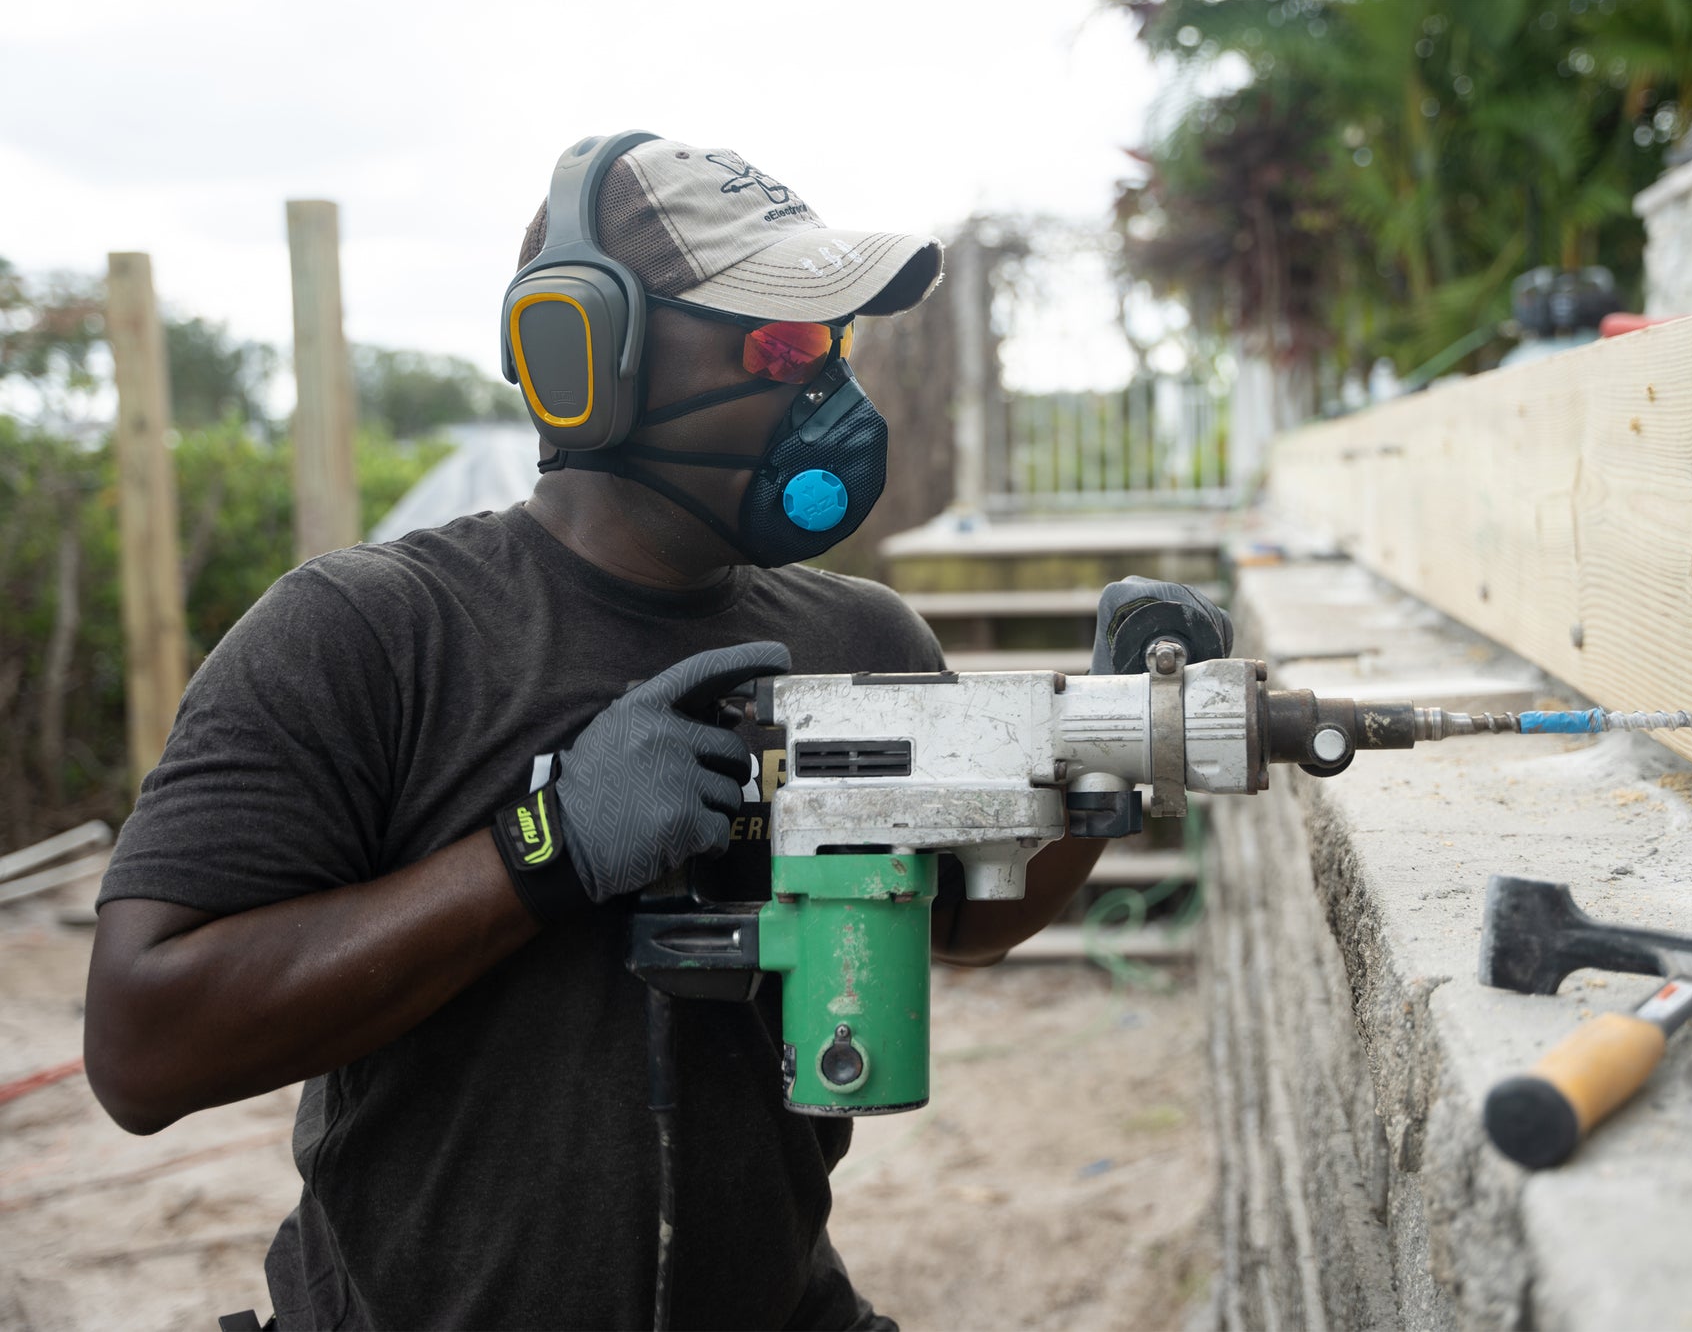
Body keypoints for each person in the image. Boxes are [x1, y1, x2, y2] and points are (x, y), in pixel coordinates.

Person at [82, 134, 1128, 1331]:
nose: (825, 386)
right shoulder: (369, 633)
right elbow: (141, 1048)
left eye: (833, 345)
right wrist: (542, 850)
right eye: (779, 343)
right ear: (585, 354)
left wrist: (1108, 752)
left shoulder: (863, 637)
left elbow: (956, 915)